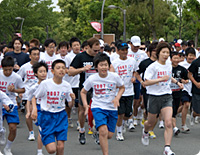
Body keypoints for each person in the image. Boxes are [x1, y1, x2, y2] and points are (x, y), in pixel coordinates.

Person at [141, 42, 183, 155]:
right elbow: (146, 82)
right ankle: (145, 131)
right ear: (158, 53)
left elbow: (169, 76)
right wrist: (160, 79)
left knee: (168, 122)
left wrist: (177, 82)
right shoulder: (153, 67)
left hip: (167, 96)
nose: (165, 55)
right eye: (163, 52)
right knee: (150, 123)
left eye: (167, 53)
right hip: (154, 97)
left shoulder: (168, 64)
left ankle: (167, 148)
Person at [81, 53, 125, 155]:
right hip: (98, 107)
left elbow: (122, 87)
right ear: (96, 67)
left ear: (109, 66)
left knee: (109, 135)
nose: (104, 67)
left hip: (112, 108)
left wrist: (117, 98)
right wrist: (85, 105)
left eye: (105, 65)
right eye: (101, 65)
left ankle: (97, 131)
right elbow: (83, 92)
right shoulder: (92, 78)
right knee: (103, 131)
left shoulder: (114, 77)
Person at [33, 59, 74, 155]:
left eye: (63, 68)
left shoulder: (67, 85)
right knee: (52, 150)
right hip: (47, 116)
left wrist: (72, 99)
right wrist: (34, 110)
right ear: (52, 71)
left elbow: (70, 105)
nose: (61, 70)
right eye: (58, 68)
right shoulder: (45, 84)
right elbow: (34, 97)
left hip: (61, 116)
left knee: (61, 146)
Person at [68, 37, 100, 145]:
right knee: (82, 110)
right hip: (84, 89)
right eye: (95, 50)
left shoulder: (100, 57)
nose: (97, 52)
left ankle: (97, 131)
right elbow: (70, 71)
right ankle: (82, 130)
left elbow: (109, 69)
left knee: (97, 111)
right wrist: (82, 69)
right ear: (88, 47)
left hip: (99, 89)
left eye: (98, 50)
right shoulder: (80, 57)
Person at [110, 42, 137, 141]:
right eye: (122, 50)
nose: (124, 52)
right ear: (118, 51)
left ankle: (122, 124)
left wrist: (134, 77)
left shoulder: (132, 61)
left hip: (130, 91)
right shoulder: (115, 63)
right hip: (119, 92)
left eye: (126, 50)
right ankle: (119, 132)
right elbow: (111, 75)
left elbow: (134, 71)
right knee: (120, 114)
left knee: (127, 114)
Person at [0, 56, 25, 155]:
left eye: (9, 70)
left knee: (13, 128)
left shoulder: (16, 77)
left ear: (13, 68)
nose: (7, 72)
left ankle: (7, 148)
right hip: (0, 103)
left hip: (11, 103)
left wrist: (14, 90)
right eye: (5, 70)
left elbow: (23, 89)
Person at [135, 42, 158, 139]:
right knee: (150, 110)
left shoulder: (163, 63)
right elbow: (136, 73)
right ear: (149, 52)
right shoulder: (145, 63)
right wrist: (141, 82)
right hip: (148, 90)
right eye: (154, 51)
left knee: (157, 112)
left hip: (160, 90)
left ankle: (149, 125)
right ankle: (150, 129)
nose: (156, 53)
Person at [17, 47, 40, 140]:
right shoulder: (25, 67)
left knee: (38, 114)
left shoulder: (42, 66)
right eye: (34, 54)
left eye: (38, 54)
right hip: (28, 93)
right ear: (30, 56)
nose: (36, 56)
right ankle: (31, 132)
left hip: (40, 93)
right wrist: (20, 91)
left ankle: (42, 130)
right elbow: (18, 79)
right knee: (29, 113)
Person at [26, 61, 48, 155]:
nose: (43, 73)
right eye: (41, 71)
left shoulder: (50, 84)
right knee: (41, 129)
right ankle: (39, 151)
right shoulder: (34, 87)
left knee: (48, 130)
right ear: (36, 74)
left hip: (50, 109)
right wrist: (28, 111)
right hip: (39, 109)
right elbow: (29, 99)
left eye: (45, 71)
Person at [128, 36, 148, 126]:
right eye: (134, 46)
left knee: (138, 100)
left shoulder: (143, 54)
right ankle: (131, 118)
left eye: (137, 46)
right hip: (128, 79)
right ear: (130, 44)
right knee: (129, 100)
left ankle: (136, 114)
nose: (136, 48)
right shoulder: (127, 52)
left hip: (139, 78)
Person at [170, 52, 188, 136]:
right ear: (170, 59)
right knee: (172, 110)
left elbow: (187, 79)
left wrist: (184, 81)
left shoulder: (182, 69)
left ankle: (171, 124)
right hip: (168, 93)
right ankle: (174, 128)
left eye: (178, 58)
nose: (176, 60)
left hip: (178, 92)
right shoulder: (167, 68)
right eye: (175, 58)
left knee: (176, 109)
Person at [179, 47, 196, 132]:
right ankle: (183, 125)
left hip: (194, 88)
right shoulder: (182, 65)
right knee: (186, 104)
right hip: (184, 88)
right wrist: (182, 80)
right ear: (186, 56)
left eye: (193, 56)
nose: (191, 57)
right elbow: (178, 76)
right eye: (190, 55)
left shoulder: (196, 64)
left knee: (193, 107)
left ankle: (173, 114)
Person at [65, 37, 81, 129]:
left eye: (78, 45)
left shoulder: (82, 55)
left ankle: (79, 121)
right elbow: (66, 69)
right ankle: (68, 117)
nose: (76, 47)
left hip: (79, 83)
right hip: (70, 83)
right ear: (71, 47)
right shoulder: (68, 57)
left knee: (79, 104)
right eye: (74, 45)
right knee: (69, 104)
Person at [0, 91, 14, 155]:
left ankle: (2, 132)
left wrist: (9, 108)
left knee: (0, 131)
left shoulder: (1, 94)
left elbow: (9, 102)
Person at [188, 52, 200, 124]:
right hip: (197, 89)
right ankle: (194, 114)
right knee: (197, 111)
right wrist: (196, 83)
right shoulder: (196, 62)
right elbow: (189, 74)